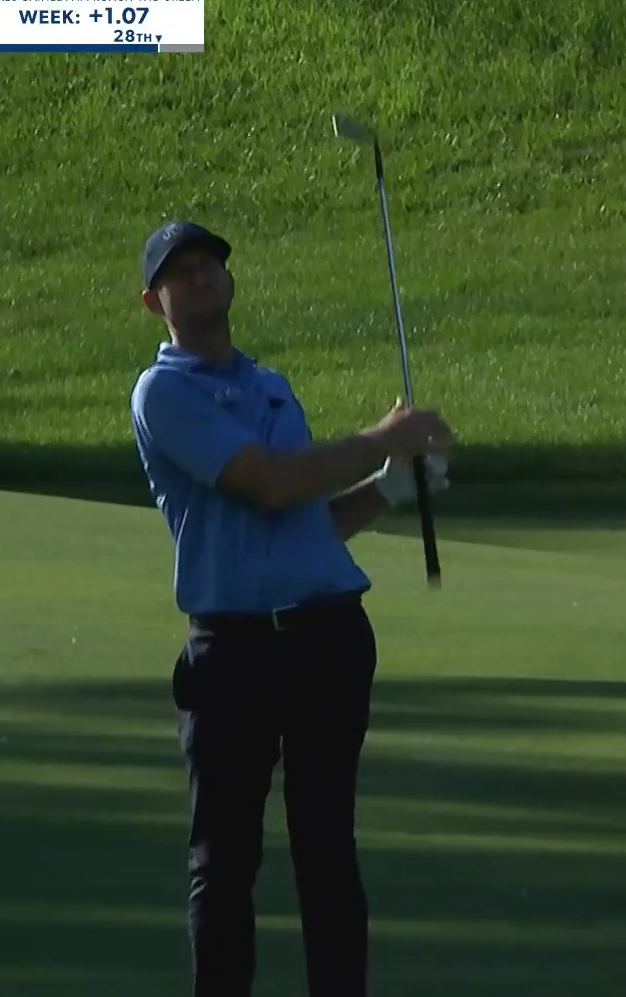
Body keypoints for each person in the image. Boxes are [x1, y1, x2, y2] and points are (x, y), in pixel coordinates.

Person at [128, 219, 454, 997]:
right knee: (225, 863)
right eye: (183, 271)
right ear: (154, 301)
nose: (203, 278)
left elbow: (304, 520)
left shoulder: (271, 386)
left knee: (327, 854)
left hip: (327, 639)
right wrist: (382, 436)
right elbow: (268, 482)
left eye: (212, 265)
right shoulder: (164, 392)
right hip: (233, 654)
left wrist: (388, 490)